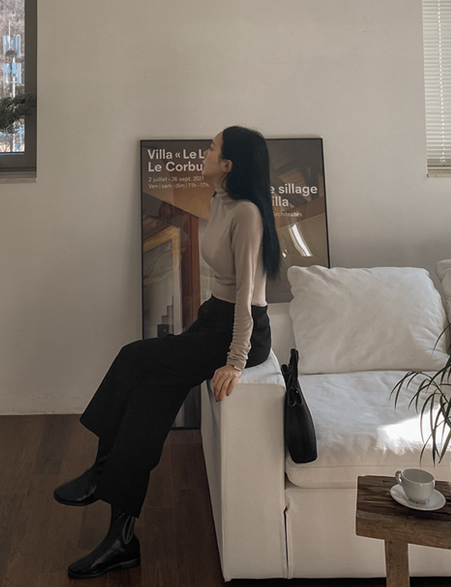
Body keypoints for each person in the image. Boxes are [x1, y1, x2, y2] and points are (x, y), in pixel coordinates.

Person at [53, 125, 282, 580]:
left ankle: (102, 472)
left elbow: (248, 297)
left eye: (212, 148)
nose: (204, 152)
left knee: (132, 358)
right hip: (214, 319)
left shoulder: (248, 215)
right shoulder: (220, 201)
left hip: (240, 333)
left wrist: (235, 361)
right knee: (148, 401)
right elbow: (223, 290)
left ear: (228, 164)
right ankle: (121, 540)